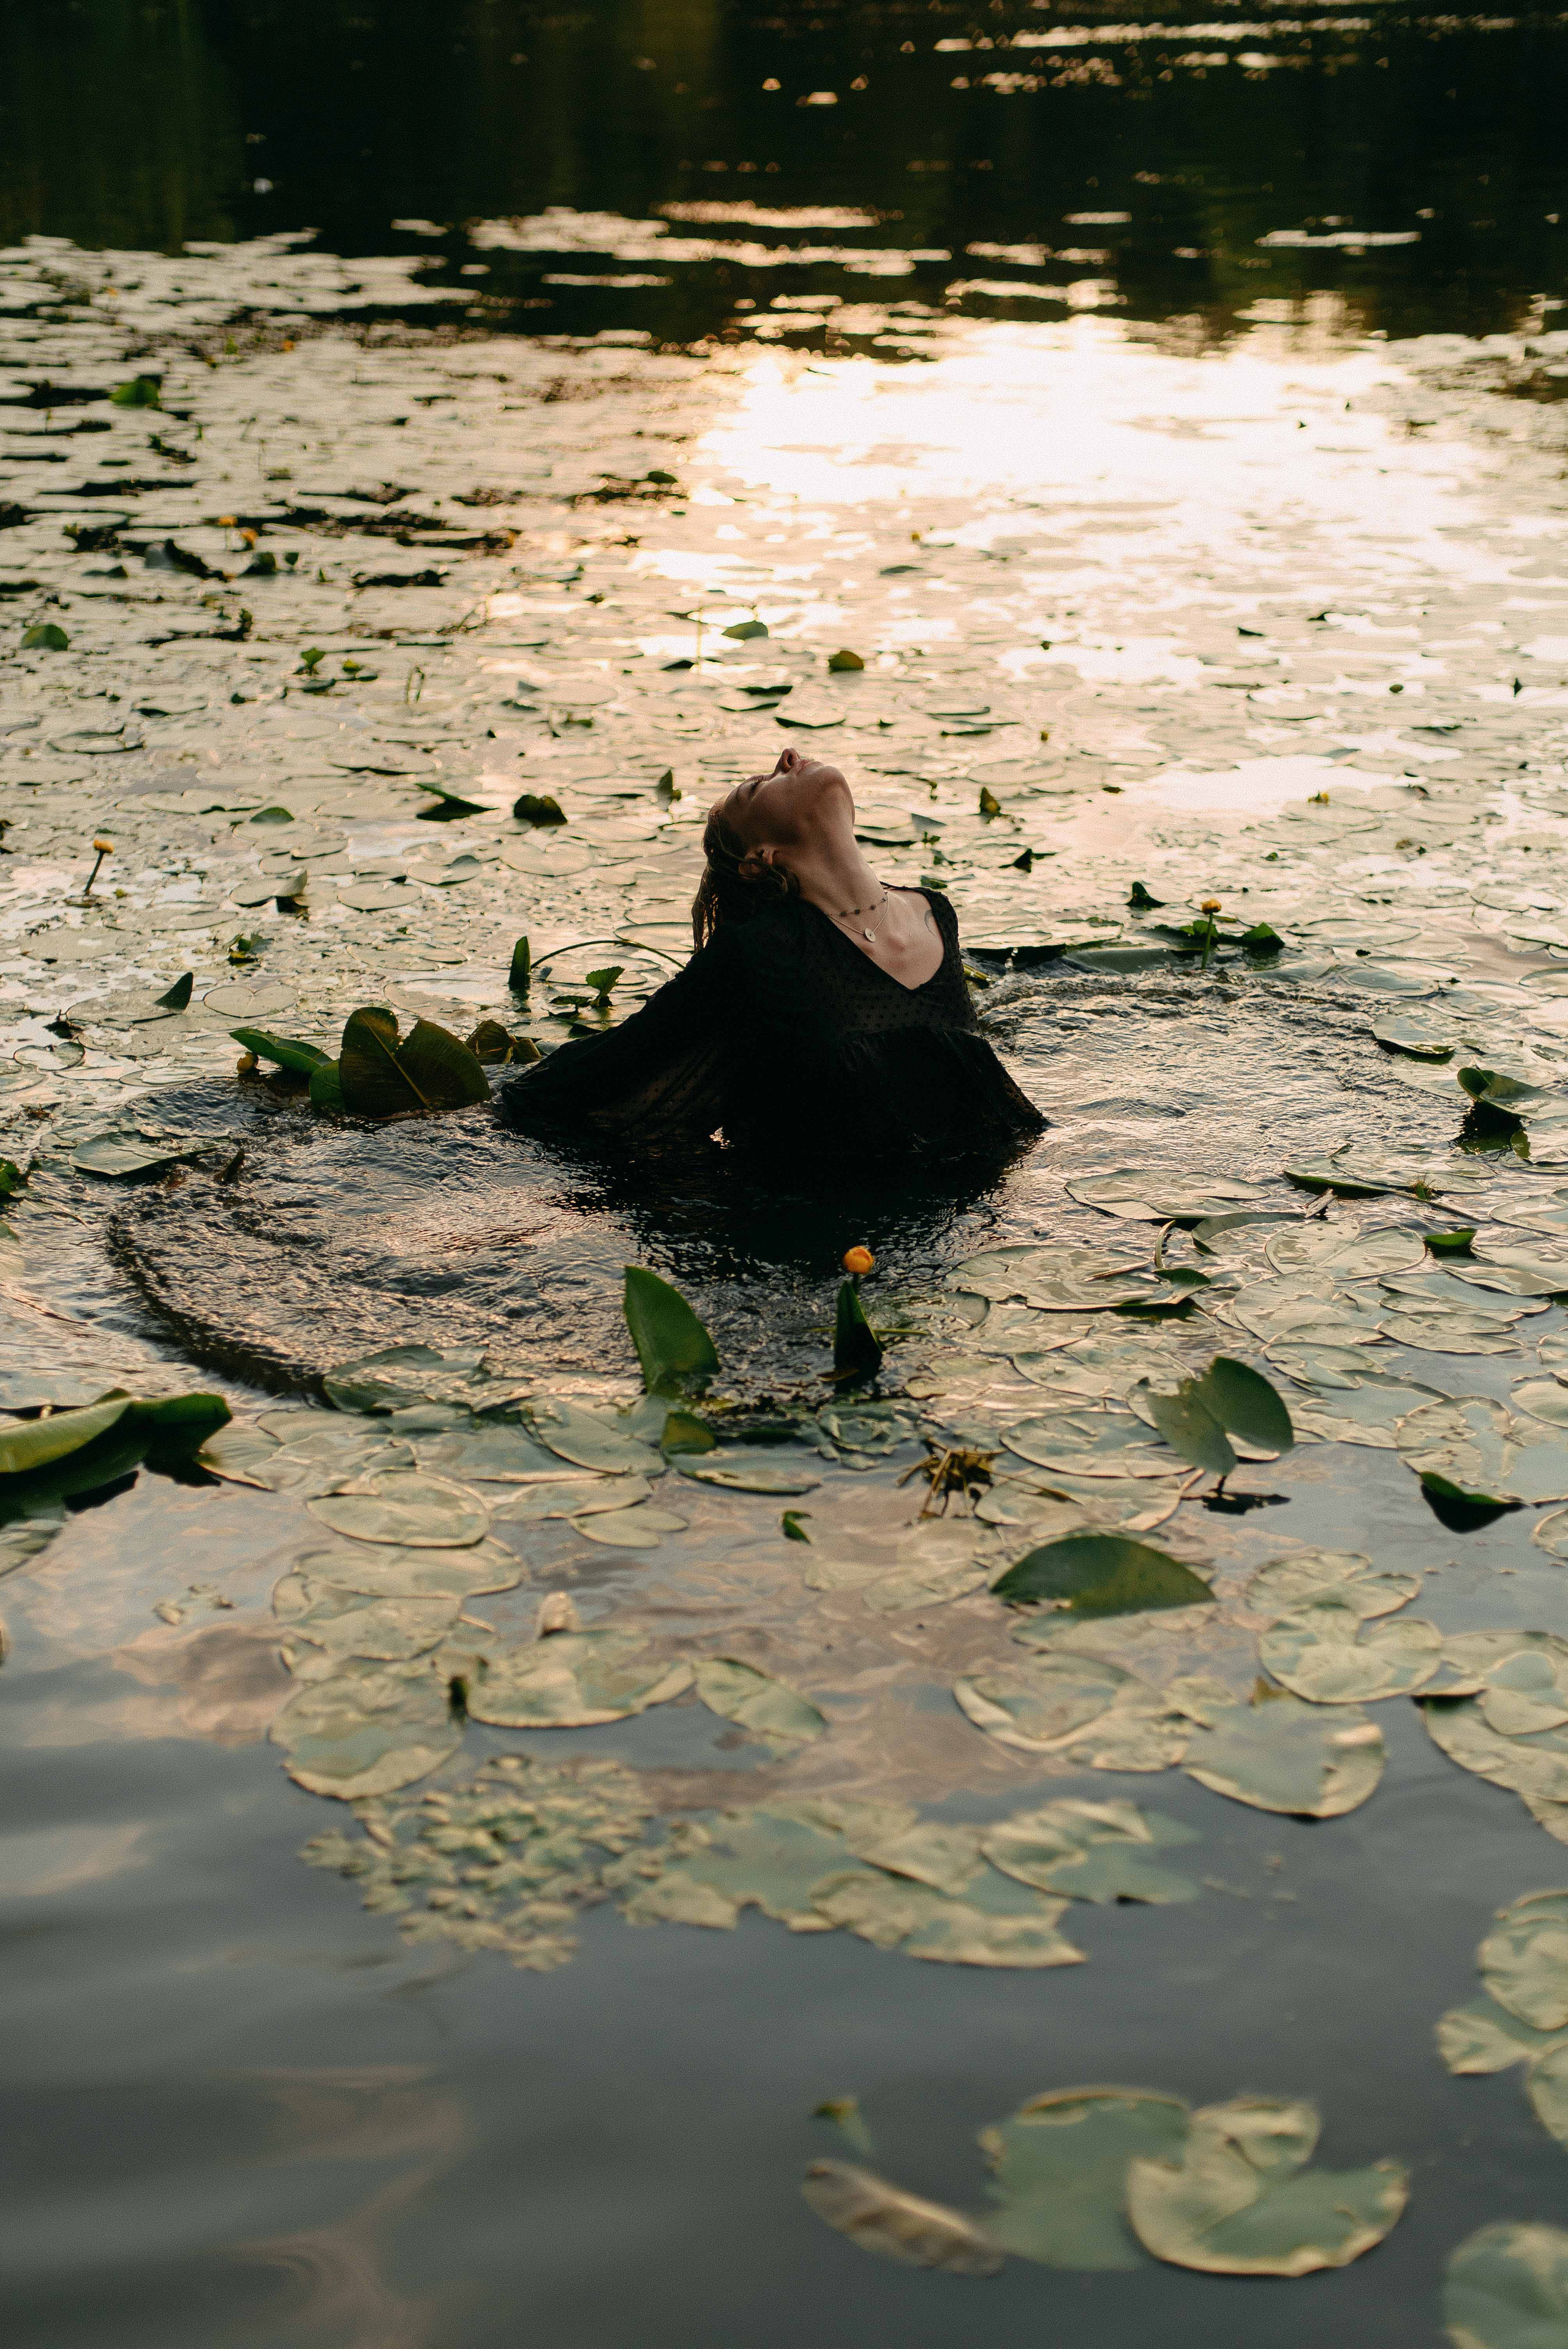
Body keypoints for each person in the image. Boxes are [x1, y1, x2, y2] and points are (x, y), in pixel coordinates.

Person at [499, 748, 1045, 1162]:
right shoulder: (760, 946)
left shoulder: (936, 913)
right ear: (760, 859)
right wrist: (493, 1098)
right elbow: (628, 1054)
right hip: (810, 1236)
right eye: (759, 787)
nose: (787, 756)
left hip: (957, 1232)